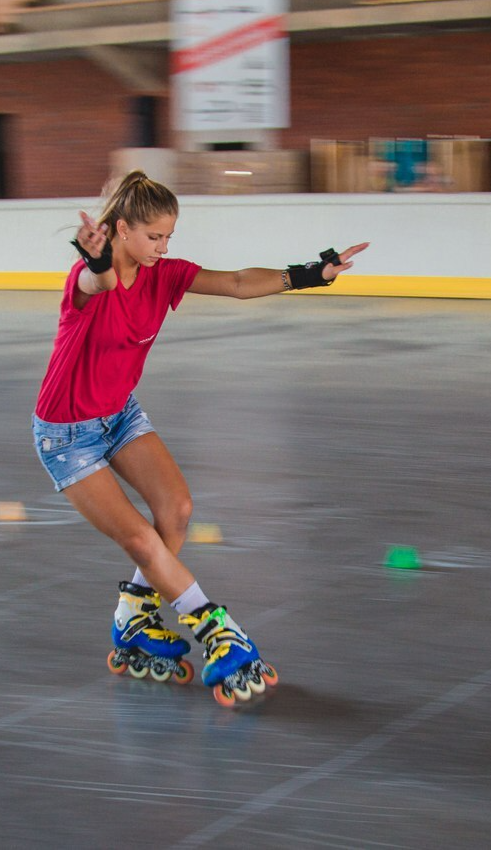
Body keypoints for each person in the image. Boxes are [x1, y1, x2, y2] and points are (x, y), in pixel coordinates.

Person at [32, 170, 369, 706]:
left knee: (178, 509)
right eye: (153, 237)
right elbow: (93, 284)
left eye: (169, 237)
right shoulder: (85, 278)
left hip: (117, 415)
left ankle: (133, 619)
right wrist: (97, 263)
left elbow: (236, 283)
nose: (163, 247)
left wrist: (309, 274)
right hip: (66, 434)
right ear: (121, 229)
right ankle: (214, 630)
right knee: (141, 538)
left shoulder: (164, 275)